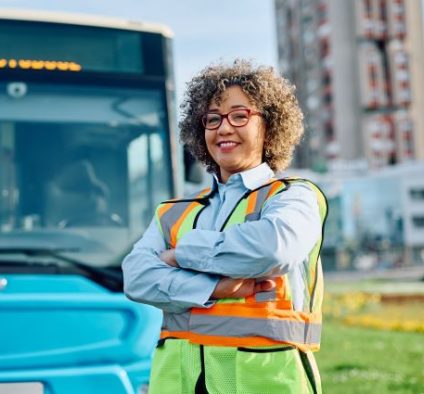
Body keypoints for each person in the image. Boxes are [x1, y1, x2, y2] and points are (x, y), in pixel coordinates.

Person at [122, 59, 327, 394]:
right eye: (213, 119)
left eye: (239, 115)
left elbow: (272, 249)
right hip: (181, 382)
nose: (224, 128)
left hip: (265, 382)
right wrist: (214, 289)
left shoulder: (293, 196)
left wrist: (181, 254)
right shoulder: (173, 211)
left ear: (270, 125)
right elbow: (136, 277)